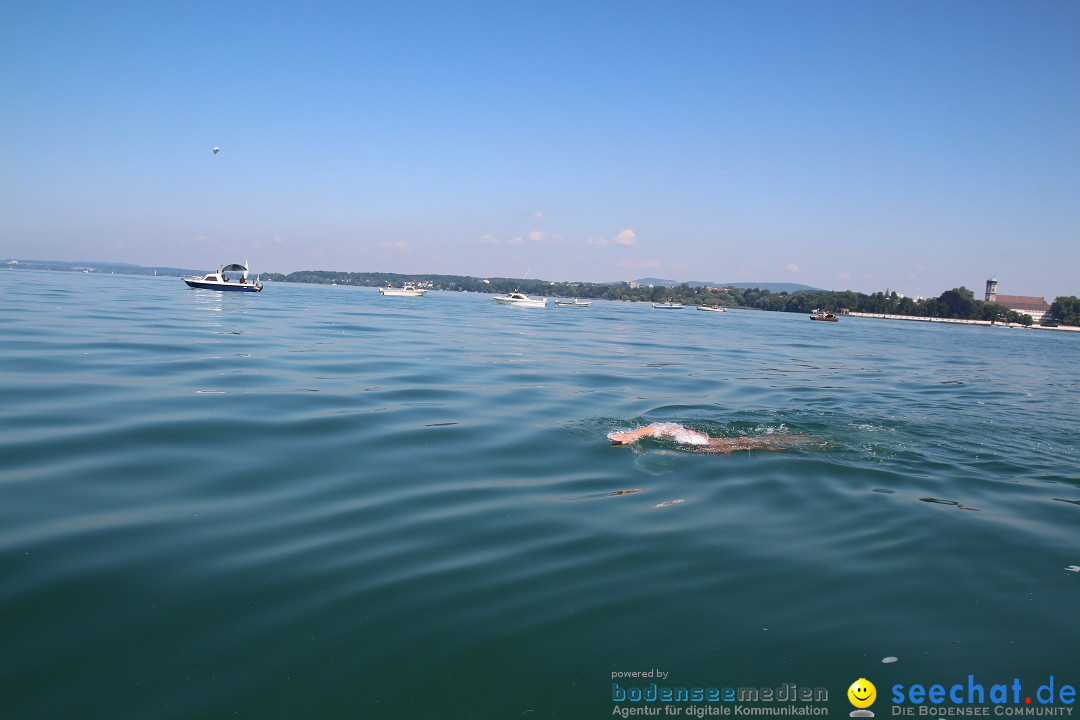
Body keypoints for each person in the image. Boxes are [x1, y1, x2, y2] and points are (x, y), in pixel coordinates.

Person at [608, 422, 817, 454]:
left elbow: (655, 428)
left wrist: (631, 436)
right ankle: (795, 441)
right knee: (751, 443)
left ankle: (799, 441)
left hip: (704, 444)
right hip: (702, 445)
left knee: (750, 444)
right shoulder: (655, 432)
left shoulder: (657, 430)